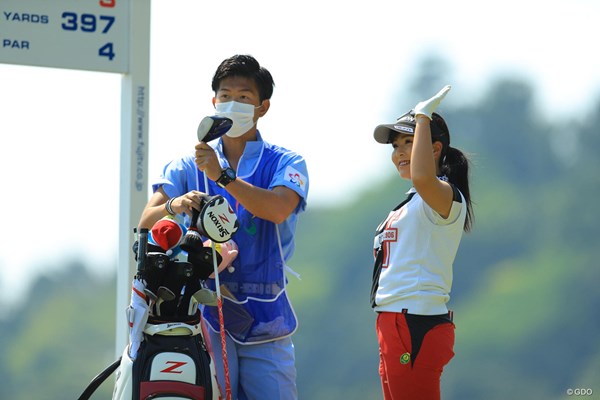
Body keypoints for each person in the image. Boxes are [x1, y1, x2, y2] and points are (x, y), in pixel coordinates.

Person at [138, 54, 309, 400]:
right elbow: (147, 220)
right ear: (213, 102)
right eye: (226, 95)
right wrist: (176, 204)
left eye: (244, 97)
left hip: (266, 312)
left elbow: (277, 209)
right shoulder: (189, 163)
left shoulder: (286, 162)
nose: (233, 104)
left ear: (263, 107)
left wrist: (222, 176)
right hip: (205, 313)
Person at [371, 85, 473, 400]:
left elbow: (423, 178)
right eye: (396, 145)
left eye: (409, 143)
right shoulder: (410, 201)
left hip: (415, 321)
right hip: (395, 322)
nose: (399, 152)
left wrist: (423, 117)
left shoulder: (442, 194)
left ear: (434, 148)